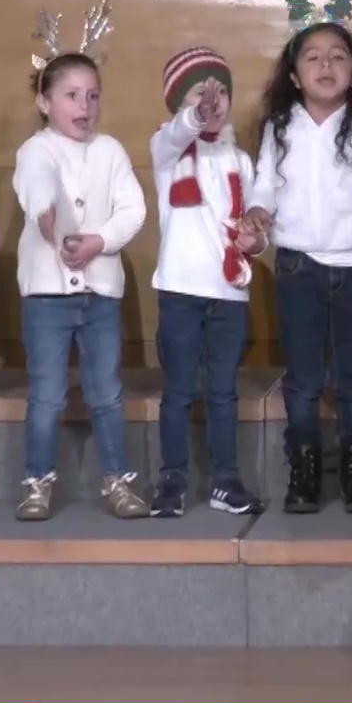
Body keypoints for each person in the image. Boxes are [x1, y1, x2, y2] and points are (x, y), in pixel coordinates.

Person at [245, 0, 352, 515]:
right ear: (293, 74)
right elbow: (263, 186)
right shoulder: (278, 127)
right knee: (305, 378)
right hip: (297, 266)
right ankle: (305, 465)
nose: (325, 65)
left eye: (338, 56)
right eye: (312, 57)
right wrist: (259, 214)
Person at [12, 43, 149, 521]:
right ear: (44, 102)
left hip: (99, 296)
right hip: (48, 297)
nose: (83, 107)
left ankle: (117, 479)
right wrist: (46, 214)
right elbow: (36, 182)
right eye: (71, 95)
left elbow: (134, 209)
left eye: (92, 96)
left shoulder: (110, 151)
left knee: (106, 392)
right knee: (47, 393)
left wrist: (100, 241)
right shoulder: (36, 149)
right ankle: (37, 481)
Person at [149, 48, 268, 518]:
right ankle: (173, 479)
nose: (214, 101)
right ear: (179, 101)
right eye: (202, 92)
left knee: (223, 390)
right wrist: (191, 118)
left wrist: (252, 240)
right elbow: (180, 130)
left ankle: (226, 479)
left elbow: (256, 237)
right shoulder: (168, 149)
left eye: (221, 92)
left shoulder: (241, 159)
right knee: (178, 390)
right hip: (180, 290)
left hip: (229, 294)